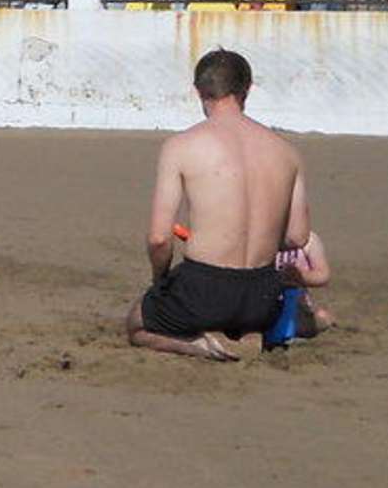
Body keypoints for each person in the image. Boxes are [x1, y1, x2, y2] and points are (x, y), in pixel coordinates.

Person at [126, 49, 308, 361]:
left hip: (204, 287)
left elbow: (159, 239)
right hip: (262, 295)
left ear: (198, 91)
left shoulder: (180, 146)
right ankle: (245, 332)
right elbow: (297, 237)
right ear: (246, 90)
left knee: (136, 324)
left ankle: (199, 346)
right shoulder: (287, 152)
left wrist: (160, 280)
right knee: (248, 308)